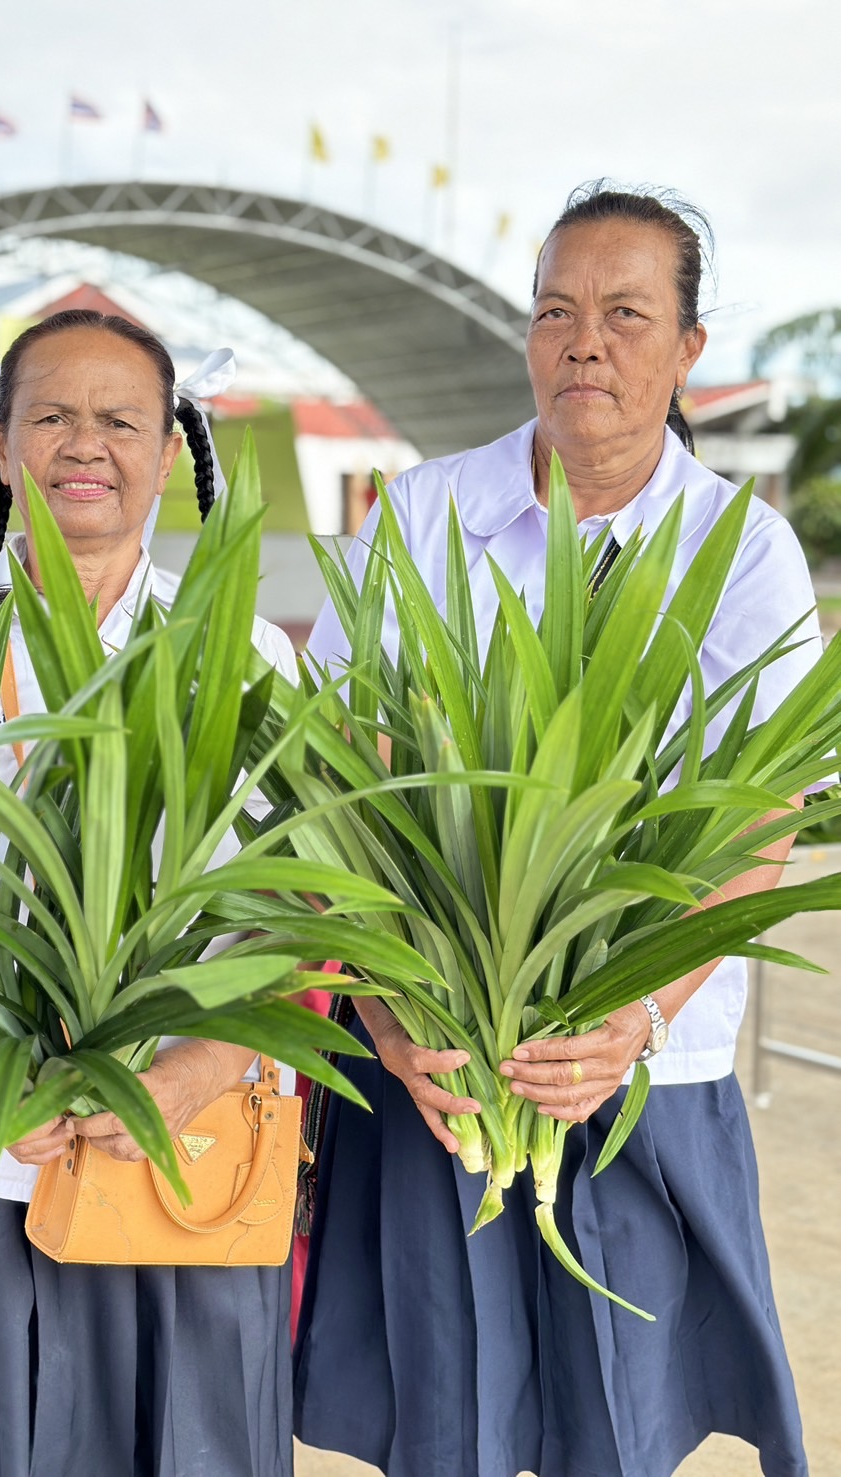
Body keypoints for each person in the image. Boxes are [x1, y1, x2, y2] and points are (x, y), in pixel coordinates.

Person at [294, 185, 820, 1477]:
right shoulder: (421, 519)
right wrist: (387, 1022)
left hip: (647, 1072)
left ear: (688, 348)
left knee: (619, 1434)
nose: (584, 341)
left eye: (626, 313)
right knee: (447, 1430)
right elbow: (336, 789)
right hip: (439, 1077)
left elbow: (760, 819)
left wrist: (631, 1017)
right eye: (556, 311)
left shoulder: (744, 553)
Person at [0, 310, 299, 1477]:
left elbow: (313, 917)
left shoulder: (253, 662)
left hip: (183, 1151)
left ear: (171, 451)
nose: (85, 445)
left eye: (120, 419)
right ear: (0, 443)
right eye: (51, 415)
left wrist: (190, 1071)